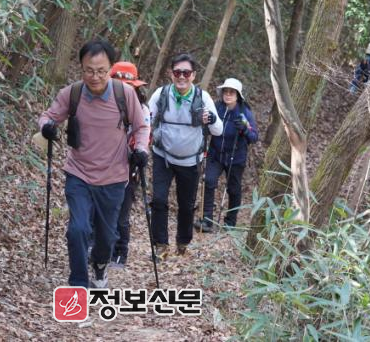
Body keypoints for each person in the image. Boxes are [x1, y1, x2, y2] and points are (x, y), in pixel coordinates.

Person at [38, 39, 149, 289]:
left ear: (110, 68)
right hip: (79, 173)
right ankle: (78, 283)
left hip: (114, 177)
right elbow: (48, 116)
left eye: (101, 71)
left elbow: (141, 127)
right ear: (81, 67)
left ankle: (100, 264)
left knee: (106, 237)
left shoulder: (124, 94)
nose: (95, 77)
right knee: (77, 229)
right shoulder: (72, 94)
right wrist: (47, 127)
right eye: (89, 70)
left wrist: (141, 150)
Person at [148, 53, 223, 259]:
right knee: (159, 200)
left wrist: (212, 119)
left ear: (194, 75)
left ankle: (182, 242)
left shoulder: (203, 97)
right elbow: (146, 119)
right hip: (162, 156)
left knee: (186, 205)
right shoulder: (161, 94)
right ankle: (160, 244)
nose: (181, 76)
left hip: (191, 161)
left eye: (186, 73)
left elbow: (218, 130)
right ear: (171, 74)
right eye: (177, 72)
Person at [195, 78, 258, 232]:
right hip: (215, 154)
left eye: (232, 92)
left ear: (238, 95)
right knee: (209, 181)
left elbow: (254, 137)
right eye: (226, 92)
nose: (228, 95)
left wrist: (244, 129)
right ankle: (206, 220)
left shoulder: (244, 113)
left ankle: (230, 222)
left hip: (236, 157)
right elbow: (205, 125)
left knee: (233, 189)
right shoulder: (216, 108)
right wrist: (207, 123)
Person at [106, 61, 151, 269]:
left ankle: (120, 251)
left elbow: (144, 133)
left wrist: (140, 152)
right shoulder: (101, 104)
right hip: (102, 163)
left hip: (129, 163)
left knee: (122, 212)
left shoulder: (142, 109)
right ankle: (97, 247)